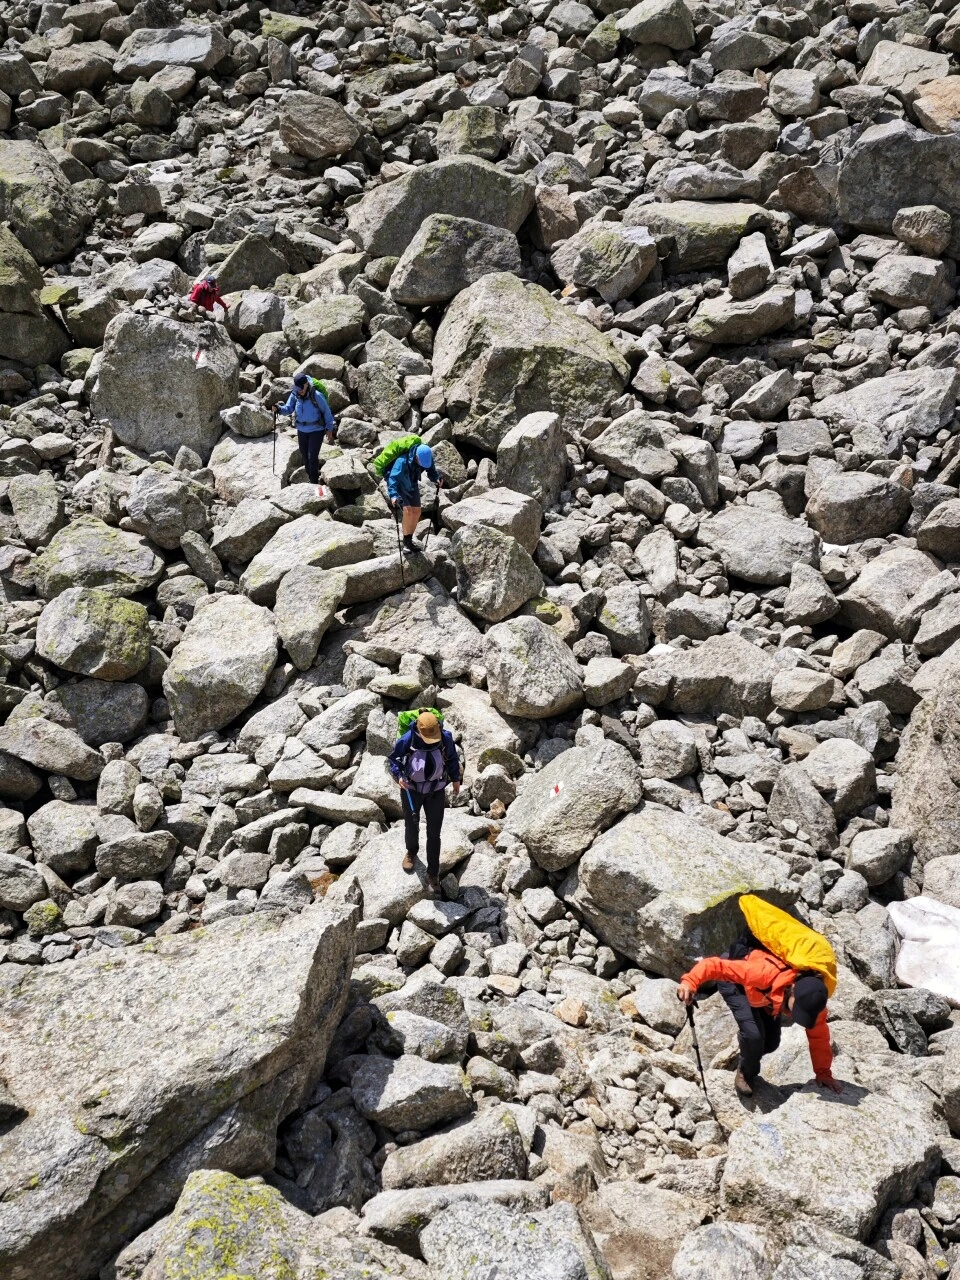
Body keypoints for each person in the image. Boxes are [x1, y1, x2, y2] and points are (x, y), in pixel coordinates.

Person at [676, 931, 840, 1097]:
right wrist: (690, 982)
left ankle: (748, 1055)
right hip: (734, 981)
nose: (792, 1016)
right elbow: (714, 966)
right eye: (794, 1010)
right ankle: (745, 1073)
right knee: (753, 1035)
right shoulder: (763, 973)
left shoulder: (814, 1001)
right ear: (793, 989)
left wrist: (823, 1072)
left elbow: (819, 1037)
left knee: (771, 1043)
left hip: (761, 994)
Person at [387, 711, 461, 896]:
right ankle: (411, 852)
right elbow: (393, 760)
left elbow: (452, 758)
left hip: (436, 790)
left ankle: (433, 874)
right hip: (411, 790)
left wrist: (456, 779)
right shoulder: (407, 739)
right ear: (419, 731)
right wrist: (399, 777)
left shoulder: (445, 737)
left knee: (434, 833)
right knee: (411, 824)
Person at [277, 373, 337, 493]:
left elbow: (327, 412)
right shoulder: (295, 394)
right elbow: (288, 409)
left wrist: (329, 429)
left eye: (301, 389)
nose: (300, 392)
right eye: (297, 389)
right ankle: (312, 476)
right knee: (305, 455)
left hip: (317, 430)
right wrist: (278, 409)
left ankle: (314, 483)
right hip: (301, 430)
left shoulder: (317, 395)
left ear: (306, 385)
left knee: (312, 456)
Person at [387, 442, 440, 554]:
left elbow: (431, 470)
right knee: (408, 511)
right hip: (400, 487)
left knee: (417, 511)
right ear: (416, 457)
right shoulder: (402, 461)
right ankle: (406, 543)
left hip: (412, 484)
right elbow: (393, 479)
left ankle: (409, 540)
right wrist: (393, 495)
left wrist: (436, 479)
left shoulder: (426, 457)